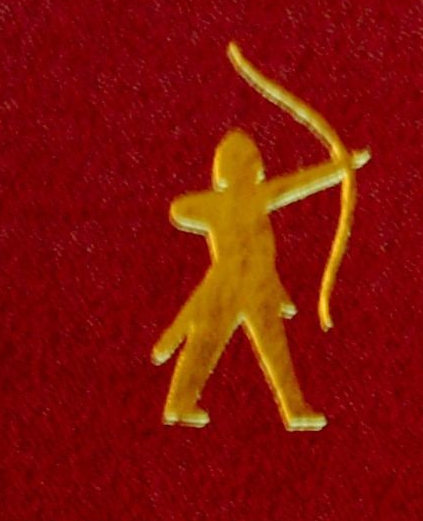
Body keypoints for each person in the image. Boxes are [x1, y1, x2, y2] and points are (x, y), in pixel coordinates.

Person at [151, 130, 365, 430]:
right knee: (205, 344)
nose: (252, 169)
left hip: (257, 284)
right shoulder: (236, 201)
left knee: (271, 351)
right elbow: (180, 208)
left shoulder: (255, 196)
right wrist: (341, 166)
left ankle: (293, 409)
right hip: (228, 285)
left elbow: (299, 182)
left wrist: (342, 166)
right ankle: (180, 403)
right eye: (246, 163)